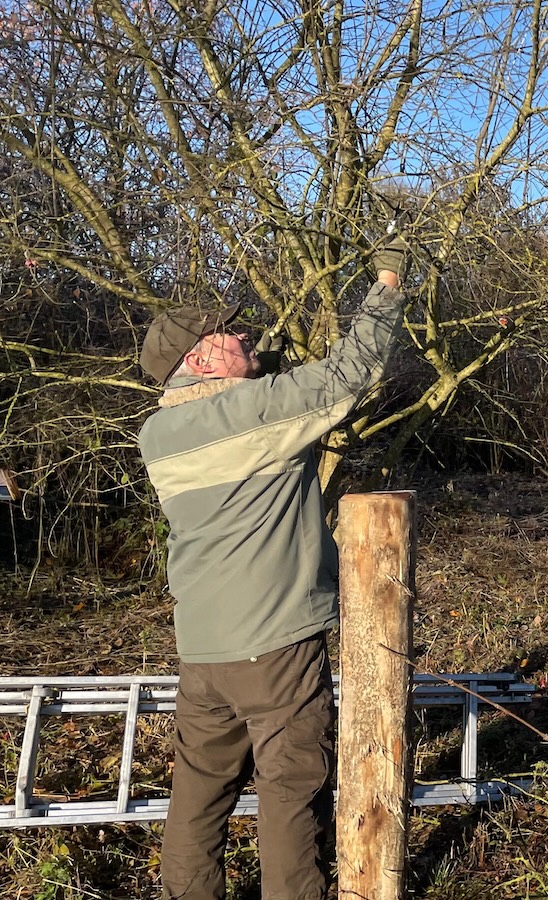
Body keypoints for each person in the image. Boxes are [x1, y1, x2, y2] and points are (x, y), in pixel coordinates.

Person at [137, 235, 410, 899]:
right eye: (232, 336)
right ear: (200, 357)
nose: (247, 338)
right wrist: (390, 280)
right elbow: (352, 371)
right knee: (292, 796)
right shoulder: (250, 413)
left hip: (204, 652)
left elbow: (253, 408)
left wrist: (260, 367)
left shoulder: (159, 434)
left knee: (199, 799)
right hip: (276, 649)